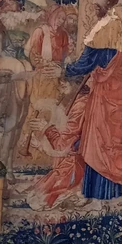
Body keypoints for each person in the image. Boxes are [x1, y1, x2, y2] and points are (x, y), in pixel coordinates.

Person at [60, 0, 122, 200]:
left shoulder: (107, 25)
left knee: (102, 140)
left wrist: (64, 69)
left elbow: (85, 63)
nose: (94, 1)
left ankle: (100, 193)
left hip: (108, 94)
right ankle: (117, 190)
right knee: (116, 139)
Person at [25, 78, 90, 210]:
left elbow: (64, 144)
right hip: (74, 156)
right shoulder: (78, 102)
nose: (60, 91)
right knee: (36, 195)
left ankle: (78, 190)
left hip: (78, 161)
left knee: (39, 199)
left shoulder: (80, 106)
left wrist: (46, 128)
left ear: (76, 84)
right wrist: (39, 144)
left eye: (64, 87)